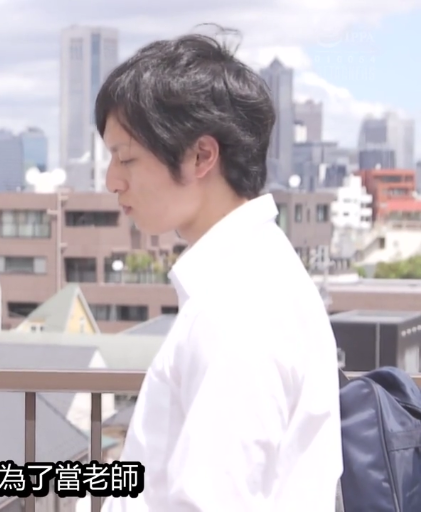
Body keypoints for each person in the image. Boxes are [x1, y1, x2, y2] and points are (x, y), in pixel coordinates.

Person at [96, 28, 342, 511]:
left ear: (202, 156)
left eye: (126, 158)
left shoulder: (241, 304)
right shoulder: (253, 276)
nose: (112, 181)